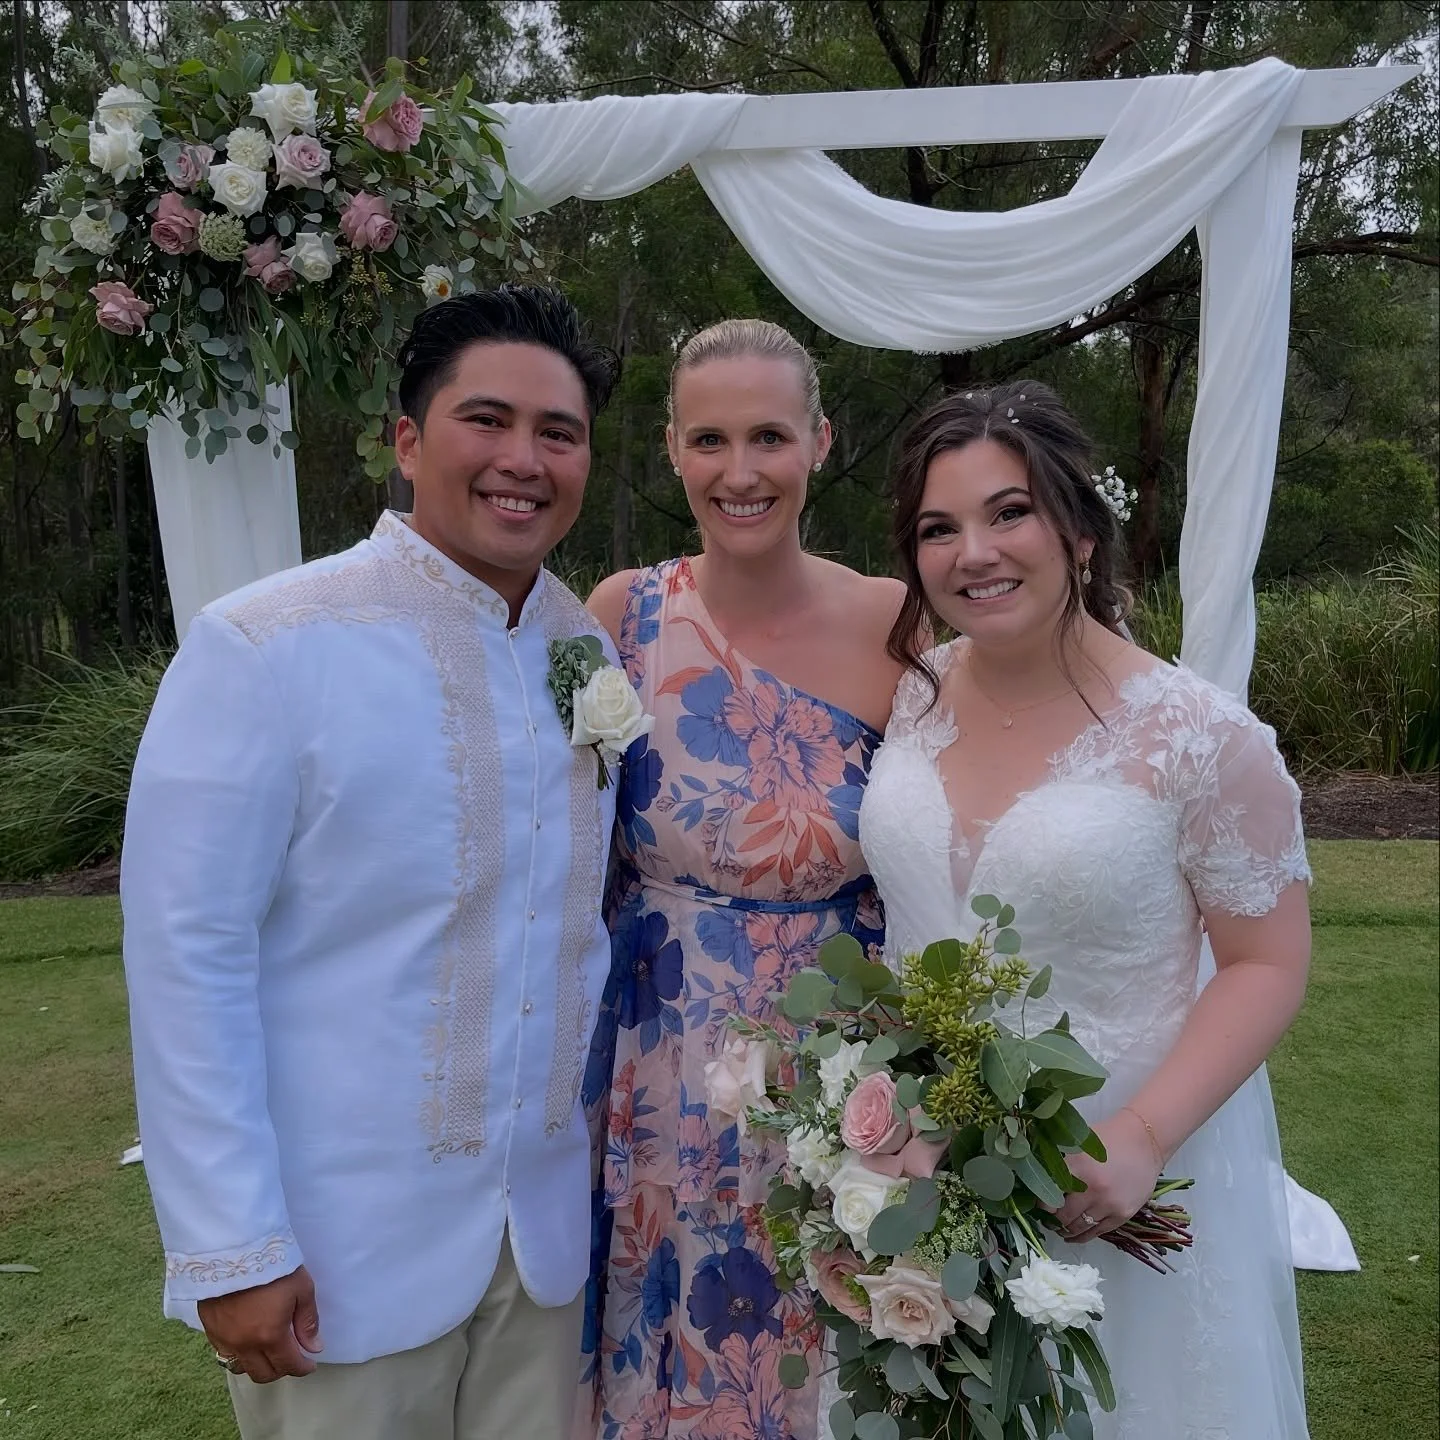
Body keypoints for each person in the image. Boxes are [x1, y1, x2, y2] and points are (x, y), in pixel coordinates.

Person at [121, 284, 629, 1440]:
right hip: (338, 1260)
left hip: (543, 1253)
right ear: (408, 441)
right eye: (485, 421)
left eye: (559, 433)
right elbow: (185, 958)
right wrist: (228, 1244)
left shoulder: (583, 651)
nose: (524, 459)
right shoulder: (264, 646)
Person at [856, 381, 1312, 1438]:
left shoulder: (1202, 736)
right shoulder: (913, 695)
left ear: (1079, 531)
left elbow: (1266, 962)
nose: (974, 551)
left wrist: (1143, 1134)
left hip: (1108, 1181)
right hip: (923, 1168)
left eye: (1007, 511)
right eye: (939, 527)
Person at [577, 320, 911, 1437]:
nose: (740, 471)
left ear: (820, 440)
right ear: (672, 448)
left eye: (768, 436)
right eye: (708, 439)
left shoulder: (892, 622)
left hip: (826, 1057)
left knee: (809, 1342)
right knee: (655, 1334)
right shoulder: (623, 614)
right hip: (651, 1053)